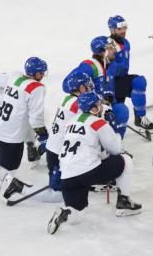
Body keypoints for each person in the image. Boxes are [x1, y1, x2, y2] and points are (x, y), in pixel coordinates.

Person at [47, 92, 142, 234]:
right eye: (98, 105)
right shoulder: (97, 122)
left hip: (67, 177)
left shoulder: (70, 122)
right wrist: (115, 129)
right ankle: (124, 202)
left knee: (78, 212)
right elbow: (115, 149)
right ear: (93, 109)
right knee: (125, 160)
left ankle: (65, 213)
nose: (102, 107)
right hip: (88, 172)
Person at [0, 57, 48, 201]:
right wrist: (44, 137)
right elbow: (36, 119)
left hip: (1, 124)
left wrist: (7, 94)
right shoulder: (37, 88)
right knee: (6, 173)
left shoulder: (14, 76)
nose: (43, 75)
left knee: (25, 118)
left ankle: (31, 146)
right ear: (34, 73)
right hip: (11, 134)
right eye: (41, 73)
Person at [42, 71, 95, 204]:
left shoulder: (67, 99)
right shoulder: (78, 104)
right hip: (61, 153)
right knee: (58, 194)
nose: (89, 87)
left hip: (54, 149)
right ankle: (21, 188)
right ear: (80, 88)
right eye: (86, 85)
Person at [107, 15, 153, 132]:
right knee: (117, 118)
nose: (123, 31)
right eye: (119, 29)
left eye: (124, 28)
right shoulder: (108, 46)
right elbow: (107, 70)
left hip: (121, 80)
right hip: (111, 85)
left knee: (139, 82)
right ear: (112, 29)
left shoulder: (126, 43)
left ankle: (140, 117)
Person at [63, 36, 122, 135]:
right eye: (111, 48)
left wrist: (108, 97)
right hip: (92, 107)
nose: (114, 50)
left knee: (121, 111)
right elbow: (66, 84)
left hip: (103, 104)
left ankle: (116, 143)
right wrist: (89, 97)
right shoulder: (90, 66)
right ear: (102, 52)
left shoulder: (108, 64)